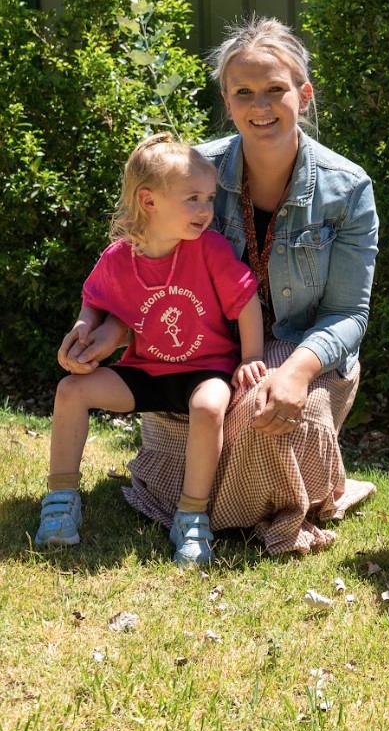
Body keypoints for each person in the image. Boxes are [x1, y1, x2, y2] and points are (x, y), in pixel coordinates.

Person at [59, 17, 379, 555]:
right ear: (227, 103)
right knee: (218, 421)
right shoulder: (191, 172)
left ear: (303, 95)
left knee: (265, 410)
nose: (261, 105)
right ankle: (267, 501)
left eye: (276, 90)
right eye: (244, 92)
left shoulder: (347, 189)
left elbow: (350, 313)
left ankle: (224, 511)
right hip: (200, 350)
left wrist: (297, 370)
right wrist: (102, 329)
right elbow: (144, 272)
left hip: (306, 349)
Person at [38, 134, 266, 567]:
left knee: (211, 406)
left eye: (209, 198)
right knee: (71, 389)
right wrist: (84, 332)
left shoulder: (210, 249)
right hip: (145, 370)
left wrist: (251, 357)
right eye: (193, 198)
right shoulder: (119, 257)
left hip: (205, 369)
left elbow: (246, 301)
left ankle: (192, 516)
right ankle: (61, 499)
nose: (205, 210)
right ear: (148, 201)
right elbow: (95, 302)